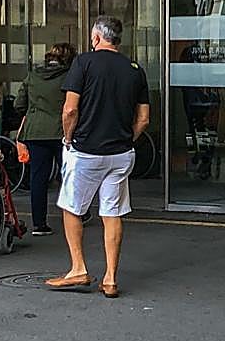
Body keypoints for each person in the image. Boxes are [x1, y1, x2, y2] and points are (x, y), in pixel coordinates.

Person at [47, 17, 149, 299]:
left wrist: (68, 138)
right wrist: (127, 139)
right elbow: (143, 119)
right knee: (112, 213)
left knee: (71, 208)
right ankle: (111, 278)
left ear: (95, 38)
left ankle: (78, 268)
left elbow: (70, 110)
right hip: (121, 154)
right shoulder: (135, 70)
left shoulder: (84, 63)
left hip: (86, 151)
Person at [13, 42, 76, 235]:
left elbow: (18, 104)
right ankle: (76, 216)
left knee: (38, 178)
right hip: (61, 131)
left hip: (35, 132)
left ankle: (39, 224)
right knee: (69, 175)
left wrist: (33, 113)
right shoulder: (69, 77)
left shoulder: (32, 76)